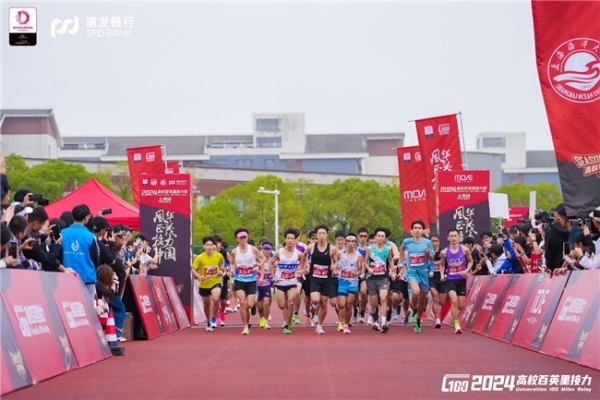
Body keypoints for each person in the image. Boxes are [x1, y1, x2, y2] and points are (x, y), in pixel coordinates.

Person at [301, 225, 339, 335]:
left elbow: (336, 261)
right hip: (315, 278)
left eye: (323, 233)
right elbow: (304, 255)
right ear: (317, 235)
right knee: (316, 300)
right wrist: (302, 267)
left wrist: (334, 266)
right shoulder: (312, 247)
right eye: (319, 233)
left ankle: (319, 325)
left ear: (326, 235)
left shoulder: (331, 248)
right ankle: (314, 310)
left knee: (324, 302)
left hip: (327, 279)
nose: (321, 235)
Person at [400, 220, 434, 334]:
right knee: (415, 292)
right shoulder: (407, 241)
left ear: (422, 230)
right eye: (415, 228)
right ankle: (414, 311)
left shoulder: (427, 242)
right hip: (412, 272)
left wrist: (428, 252)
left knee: (422, 299)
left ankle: (418, 320)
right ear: (412, 230)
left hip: (423, 272)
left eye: (419, 228)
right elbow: (402, 249)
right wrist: (401, 261)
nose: (417, 230)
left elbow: (432, 259)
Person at [230, 228, 266, 335]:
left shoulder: (253, 249)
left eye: (244, 237)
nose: (243, 239)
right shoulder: (234, 251)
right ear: (237, 239)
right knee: (242, 302)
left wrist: (259, 265)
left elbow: (263, 257)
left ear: (247, 238)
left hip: (251, 280)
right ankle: (245, 326)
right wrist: (232, 270)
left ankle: (253, 306)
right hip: (239, 280)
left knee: (249, 304)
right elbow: (232, 262)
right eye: (241, 237)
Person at [61, 205, 99, 299]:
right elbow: (96, 258)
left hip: (66, 277)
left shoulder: (62, 233)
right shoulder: (91, 236)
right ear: (87, 218)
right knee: (87, 310)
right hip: (87, 278)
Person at [439, 229, 473, 334]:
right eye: (451, 236)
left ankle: (454, 314)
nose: (453, 238)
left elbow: (471, 261)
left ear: (458, 237)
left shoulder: (465, 249)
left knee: (461, 305)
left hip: (461, 279)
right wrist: (441, 275)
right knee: (454, 301)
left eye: (455, 236)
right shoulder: (444, 252)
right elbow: (442, 264)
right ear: (448, 238)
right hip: (450, 279)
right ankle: (457, 325)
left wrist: (466, 271)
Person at [270, 228, 302, 334]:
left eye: (292, 238)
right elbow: (271, 263)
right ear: (285, 239)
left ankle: (287, 324)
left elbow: (304, 262)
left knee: (291, 302)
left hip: (292, 282)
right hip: (280, 282)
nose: (290, 240)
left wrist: (302, 270)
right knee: (282, 305)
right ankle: (288, 318)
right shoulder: (279, 253)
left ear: (295, 240)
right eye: (288, 238)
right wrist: (273, 275)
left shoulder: (298, 254)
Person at [191, 236, 225, 332]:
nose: (209, 247)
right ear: (204, 246)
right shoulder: (200, 258)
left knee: (215, 298)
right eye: (207, 245)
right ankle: (208, 320)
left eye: (211, 245)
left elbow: (222, 266)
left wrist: (221, 272)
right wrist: (199, 276)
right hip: (204, 284)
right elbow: (193, 269)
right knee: (207, 303)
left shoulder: (219, 256)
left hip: (216, 281)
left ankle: (213, 317)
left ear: (214, 246)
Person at [364, 227, 392, 333]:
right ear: (375, 237)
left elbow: (390, 262)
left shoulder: (387, 249)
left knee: (383, 298)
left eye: (382, 236)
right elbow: (365, 262)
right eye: (378, 236)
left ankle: (384, 322)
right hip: (371, 278)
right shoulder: (370, 249)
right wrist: (368, 269)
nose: (380, 238)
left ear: (385, 238)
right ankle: (376, 320)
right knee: (374, 303)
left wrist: (392, 270)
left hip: (383, 278)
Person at [336, 233, 363, 334]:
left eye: (353, 242)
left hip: (353, 283)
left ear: (355, 244)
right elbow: (336, 264)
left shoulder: (358, 256)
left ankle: (346, 325)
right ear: (345, 243)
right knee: (341, 304)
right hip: (342, 282)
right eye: (349, 241)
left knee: (348, 304)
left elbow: (360, 270)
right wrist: (334, 268)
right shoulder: (340, 253)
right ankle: (340, 323)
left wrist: (356, 273)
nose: (350, 243)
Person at [428, 234, 447, 329]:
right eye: (432, 241)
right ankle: (437, 320)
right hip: (431, 278)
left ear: (439, 242)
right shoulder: (428, 252)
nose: (434, 243)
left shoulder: (443, 252)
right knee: (435, 297)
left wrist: (445, 274)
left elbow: (448, 264)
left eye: (436, 241)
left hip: (442, 277)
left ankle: (434, 308)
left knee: (442, 302)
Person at [257, 242, 273, 329]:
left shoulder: (272, 261)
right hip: (257, 284)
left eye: (268, 249)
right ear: (262, 250)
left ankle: (266, 321)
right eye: (265, 249)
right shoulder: (257, 260)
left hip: (267, 284)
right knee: (259, 305)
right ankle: (261, 318)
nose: (266, 251)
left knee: (266, 302)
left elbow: (275, 272)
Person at [332, 231, 346, 332]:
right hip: (332, 278)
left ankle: (341, 320)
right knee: (334, 303)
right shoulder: (332, 250)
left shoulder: (347, 251)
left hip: (345, 279)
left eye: (342, 240)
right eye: (338, 240)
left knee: (343, 302)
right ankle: (340, 316)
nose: (340, 242)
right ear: (336, 240)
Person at [355, 227, 369, 323]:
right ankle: (355, 311)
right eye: (361, 236)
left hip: (366, 275)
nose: (363, 238)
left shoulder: (370, 248)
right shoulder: (354, 247)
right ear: (358, 237)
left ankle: (362, 312)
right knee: (354, 297)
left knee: (363, 292)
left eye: (365, 236)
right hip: (354, 274)